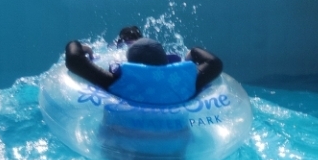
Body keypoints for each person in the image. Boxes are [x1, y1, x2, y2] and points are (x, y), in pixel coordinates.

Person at [65, 26, 223, 99]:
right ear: (166, 60)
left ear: (129, 63)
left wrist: (83, 47)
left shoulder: (117, 82)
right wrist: (193, 52)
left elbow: (74, 60)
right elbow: (215, 63)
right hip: (173, 151)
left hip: (120, 148)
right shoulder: (185, 81)